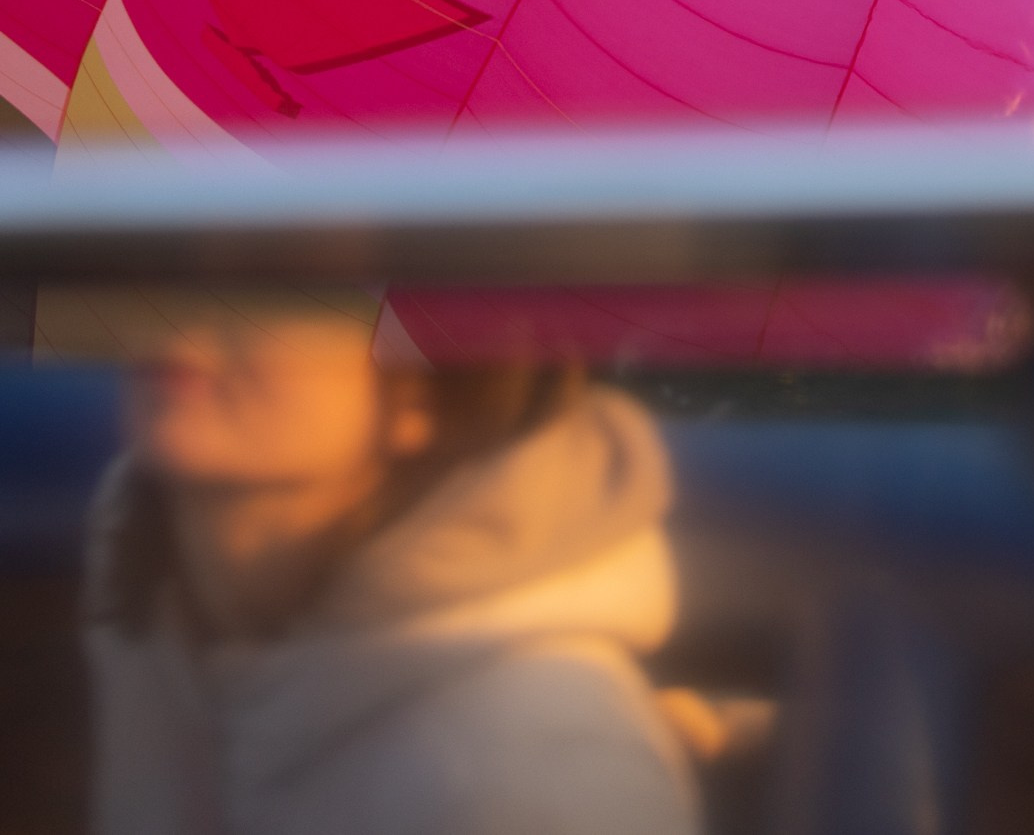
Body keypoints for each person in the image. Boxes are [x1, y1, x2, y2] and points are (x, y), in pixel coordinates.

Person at [83, 299, 702, 835]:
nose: (183, 311)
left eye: (283, 278)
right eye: (178, 253)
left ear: (436, 391)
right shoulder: (149, 614)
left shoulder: (539, 772)